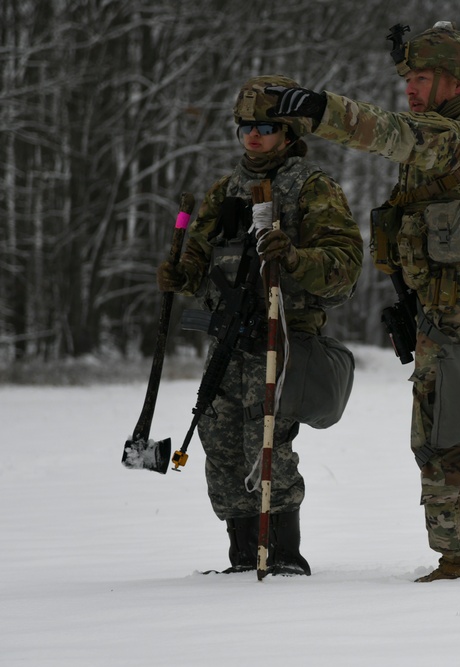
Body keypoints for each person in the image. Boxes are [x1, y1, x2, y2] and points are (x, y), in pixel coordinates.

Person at [265, 21, 460, 581]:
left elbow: (387, 132)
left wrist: (318, 109)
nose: (409, 89)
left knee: (443, 437)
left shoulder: (455, 139)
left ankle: (458, 561)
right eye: (408, 77)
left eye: (422, 77)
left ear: (456, 82)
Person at [156, 75, 363, 574]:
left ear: (288, 133)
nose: (254, 135)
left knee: (267, 444)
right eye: (245, 126)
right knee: (220, 444)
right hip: (226, 340)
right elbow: (204, 260)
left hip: (280, 338)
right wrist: (182, 275)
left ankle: (284, 556)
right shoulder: (224, 191)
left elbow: (344, 268)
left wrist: (293, 258)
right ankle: (243, 557)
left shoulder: (312, 188)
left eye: (266, 126)